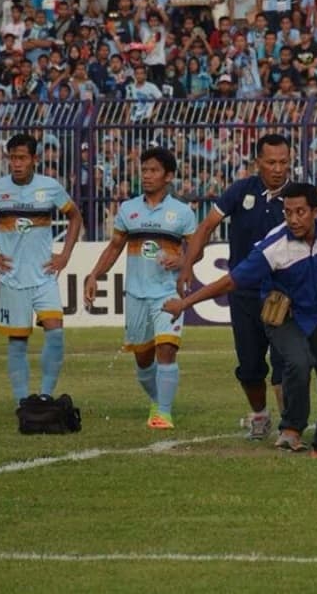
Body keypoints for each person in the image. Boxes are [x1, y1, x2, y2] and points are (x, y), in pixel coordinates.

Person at [164, 183, 317, 458]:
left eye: (300, 212)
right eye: (288, 212)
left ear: (315, 211)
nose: (293, 219)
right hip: (285, 317)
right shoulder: (274, 246)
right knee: (298, 362)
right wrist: (185, 303)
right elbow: (230, 281)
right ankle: (291, 430)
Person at [177, 133, 290, 440]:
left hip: (284, 295)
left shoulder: (298, 197)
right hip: (244, 295)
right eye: (271, 162)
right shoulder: (241, 191)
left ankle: (289, 427)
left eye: (283, 162)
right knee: (250, 367)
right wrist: (187, 265)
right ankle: (260, 415)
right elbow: (207, 226)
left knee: (285, 365)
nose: (278, 169)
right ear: (258, 163)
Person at [83, 147, 196, 429]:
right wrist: (94, 274)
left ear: (168, 176)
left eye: (154, 170)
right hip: (135, 294)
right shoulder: (128, 209)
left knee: (167, 349)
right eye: (144, 170)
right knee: (143, 360)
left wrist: (182, 258)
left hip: (168, 293)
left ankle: (164, 414)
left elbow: (197, 250)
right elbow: (114, 246)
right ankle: (158, 401)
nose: (147, 175)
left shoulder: (182, 212)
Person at [0, 133, 82, 404]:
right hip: (12, 278)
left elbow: (75, 216)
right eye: (12, 158)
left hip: (44, 276)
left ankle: (44, 397)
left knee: (55, 334)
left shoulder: (50, 187)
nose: (16, 163)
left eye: (22, 158)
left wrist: (65, 255)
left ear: (34, 159)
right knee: (17, 343)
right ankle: (22, 403)